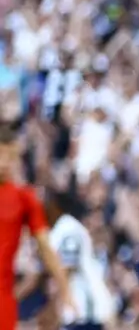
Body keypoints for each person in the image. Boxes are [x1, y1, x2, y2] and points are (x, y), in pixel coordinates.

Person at [0, 127, 74, 330]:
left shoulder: (24, 199)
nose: (6, 163)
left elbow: (45, 247)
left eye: (12, 156)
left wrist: (65, 289)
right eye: (2, 155)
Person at [44, 192, 114, 330]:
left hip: (82, 314)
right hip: (81, 314)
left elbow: (67, 268)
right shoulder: (72, 231)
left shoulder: (69, 230)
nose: (98, 222)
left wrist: (54, 308)